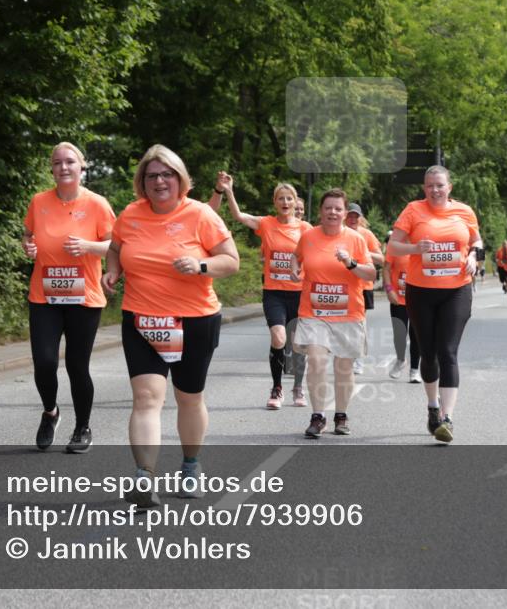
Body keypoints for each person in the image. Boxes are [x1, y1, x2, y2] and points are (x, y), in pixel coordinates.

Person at [104, 145, 239, 506]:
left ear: (181, 180)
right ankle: (144, 477)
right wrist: (113, 269)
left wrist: (201, 266)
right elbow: (115, 247)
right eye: (152, 176)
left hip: (195, 320)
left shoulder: (201, 215)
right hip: (142, 320)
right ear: (142, 183)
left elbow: (231, 260)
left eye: (167, 175)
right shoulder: (131, 214)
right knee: (146, 397)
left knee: (188, 397)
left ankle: (191, 465)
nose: (159, 181)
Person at [22, 143, 115, 453]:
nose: (64, 167)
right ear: (52, 168)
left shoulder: (98, 204)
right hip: (44, 295)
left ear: (81, 166)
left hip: (84, 296)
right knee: (44, 362)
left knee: (77, 365)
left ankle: (82, 427)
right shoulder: (39, 202)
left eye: (70, 162)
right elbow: (27, 234)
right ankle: (51, 412)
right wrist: (29, 246)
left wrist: (89, 246)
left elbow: (116, 245)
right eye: (57, 162)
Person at [388, 166, 481, 443]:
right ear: (424, 188)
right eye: (429, 186)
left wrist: (474, 256)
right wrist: (416, 248)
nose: (435, 190)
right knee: (428, 355)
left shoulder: (464, 211)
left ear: (449, 187)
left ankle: (448, 417)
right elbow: (393, 247)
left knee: (448, 352)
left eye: (439, 185)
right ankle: (432, 407)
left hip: (457, 290)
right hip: (421, 291)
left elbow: (476, 240)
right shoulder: (413, 210)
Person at [211, 172, 311, 408]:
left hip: (299, 293)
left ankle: (298, 387)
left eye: (289, 199)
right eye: (281, 199)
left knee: (298, 343)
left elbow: (319, 253)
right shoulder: (266, 223)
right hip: (274, 292)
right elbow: (238, 216)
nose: (285, 203)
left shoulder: (306, 228)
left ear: (295, 202)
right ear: (275, 202)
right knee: (279, 337)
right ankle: (277, 389)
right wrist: (228, 190)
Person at [290, 189, 374, 438]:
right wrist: (295, 269)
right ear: (321, 211)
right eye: (328, 208)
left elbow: (370, 274)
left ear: (345, 212)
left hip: (348, 313)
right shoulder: (308, 236)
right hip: (313, 312)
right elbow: (296, 257)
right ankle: (317, 416)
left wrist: (351, 263)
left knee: (343, 367)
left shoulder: (356, 239)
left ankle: (341, 415)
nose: (333, 213)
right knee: (316, 360)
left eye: (338, 208)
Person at [344, 203, 383, 374]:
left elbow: (381, 259)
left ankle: (358, 360)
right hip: (341, 284)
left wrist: (363, 252)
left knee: (358, 323)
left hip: (362, 285)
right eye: (350, 216)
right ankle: (345, 357)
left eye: (356, 216)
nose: (352, 219)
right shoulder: (338, 233)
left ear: (360, 218)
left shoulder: (366, 235)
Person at [383, 240, 421, 383]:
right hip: (398, 299)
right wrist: (389, 289)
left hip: (419, 300)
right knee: (399, 334)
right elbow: (386, 268)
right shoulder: (395, 246)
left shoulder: (422, 245)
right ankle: (400, 359)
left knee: (416, 335)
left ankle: (414, 370)